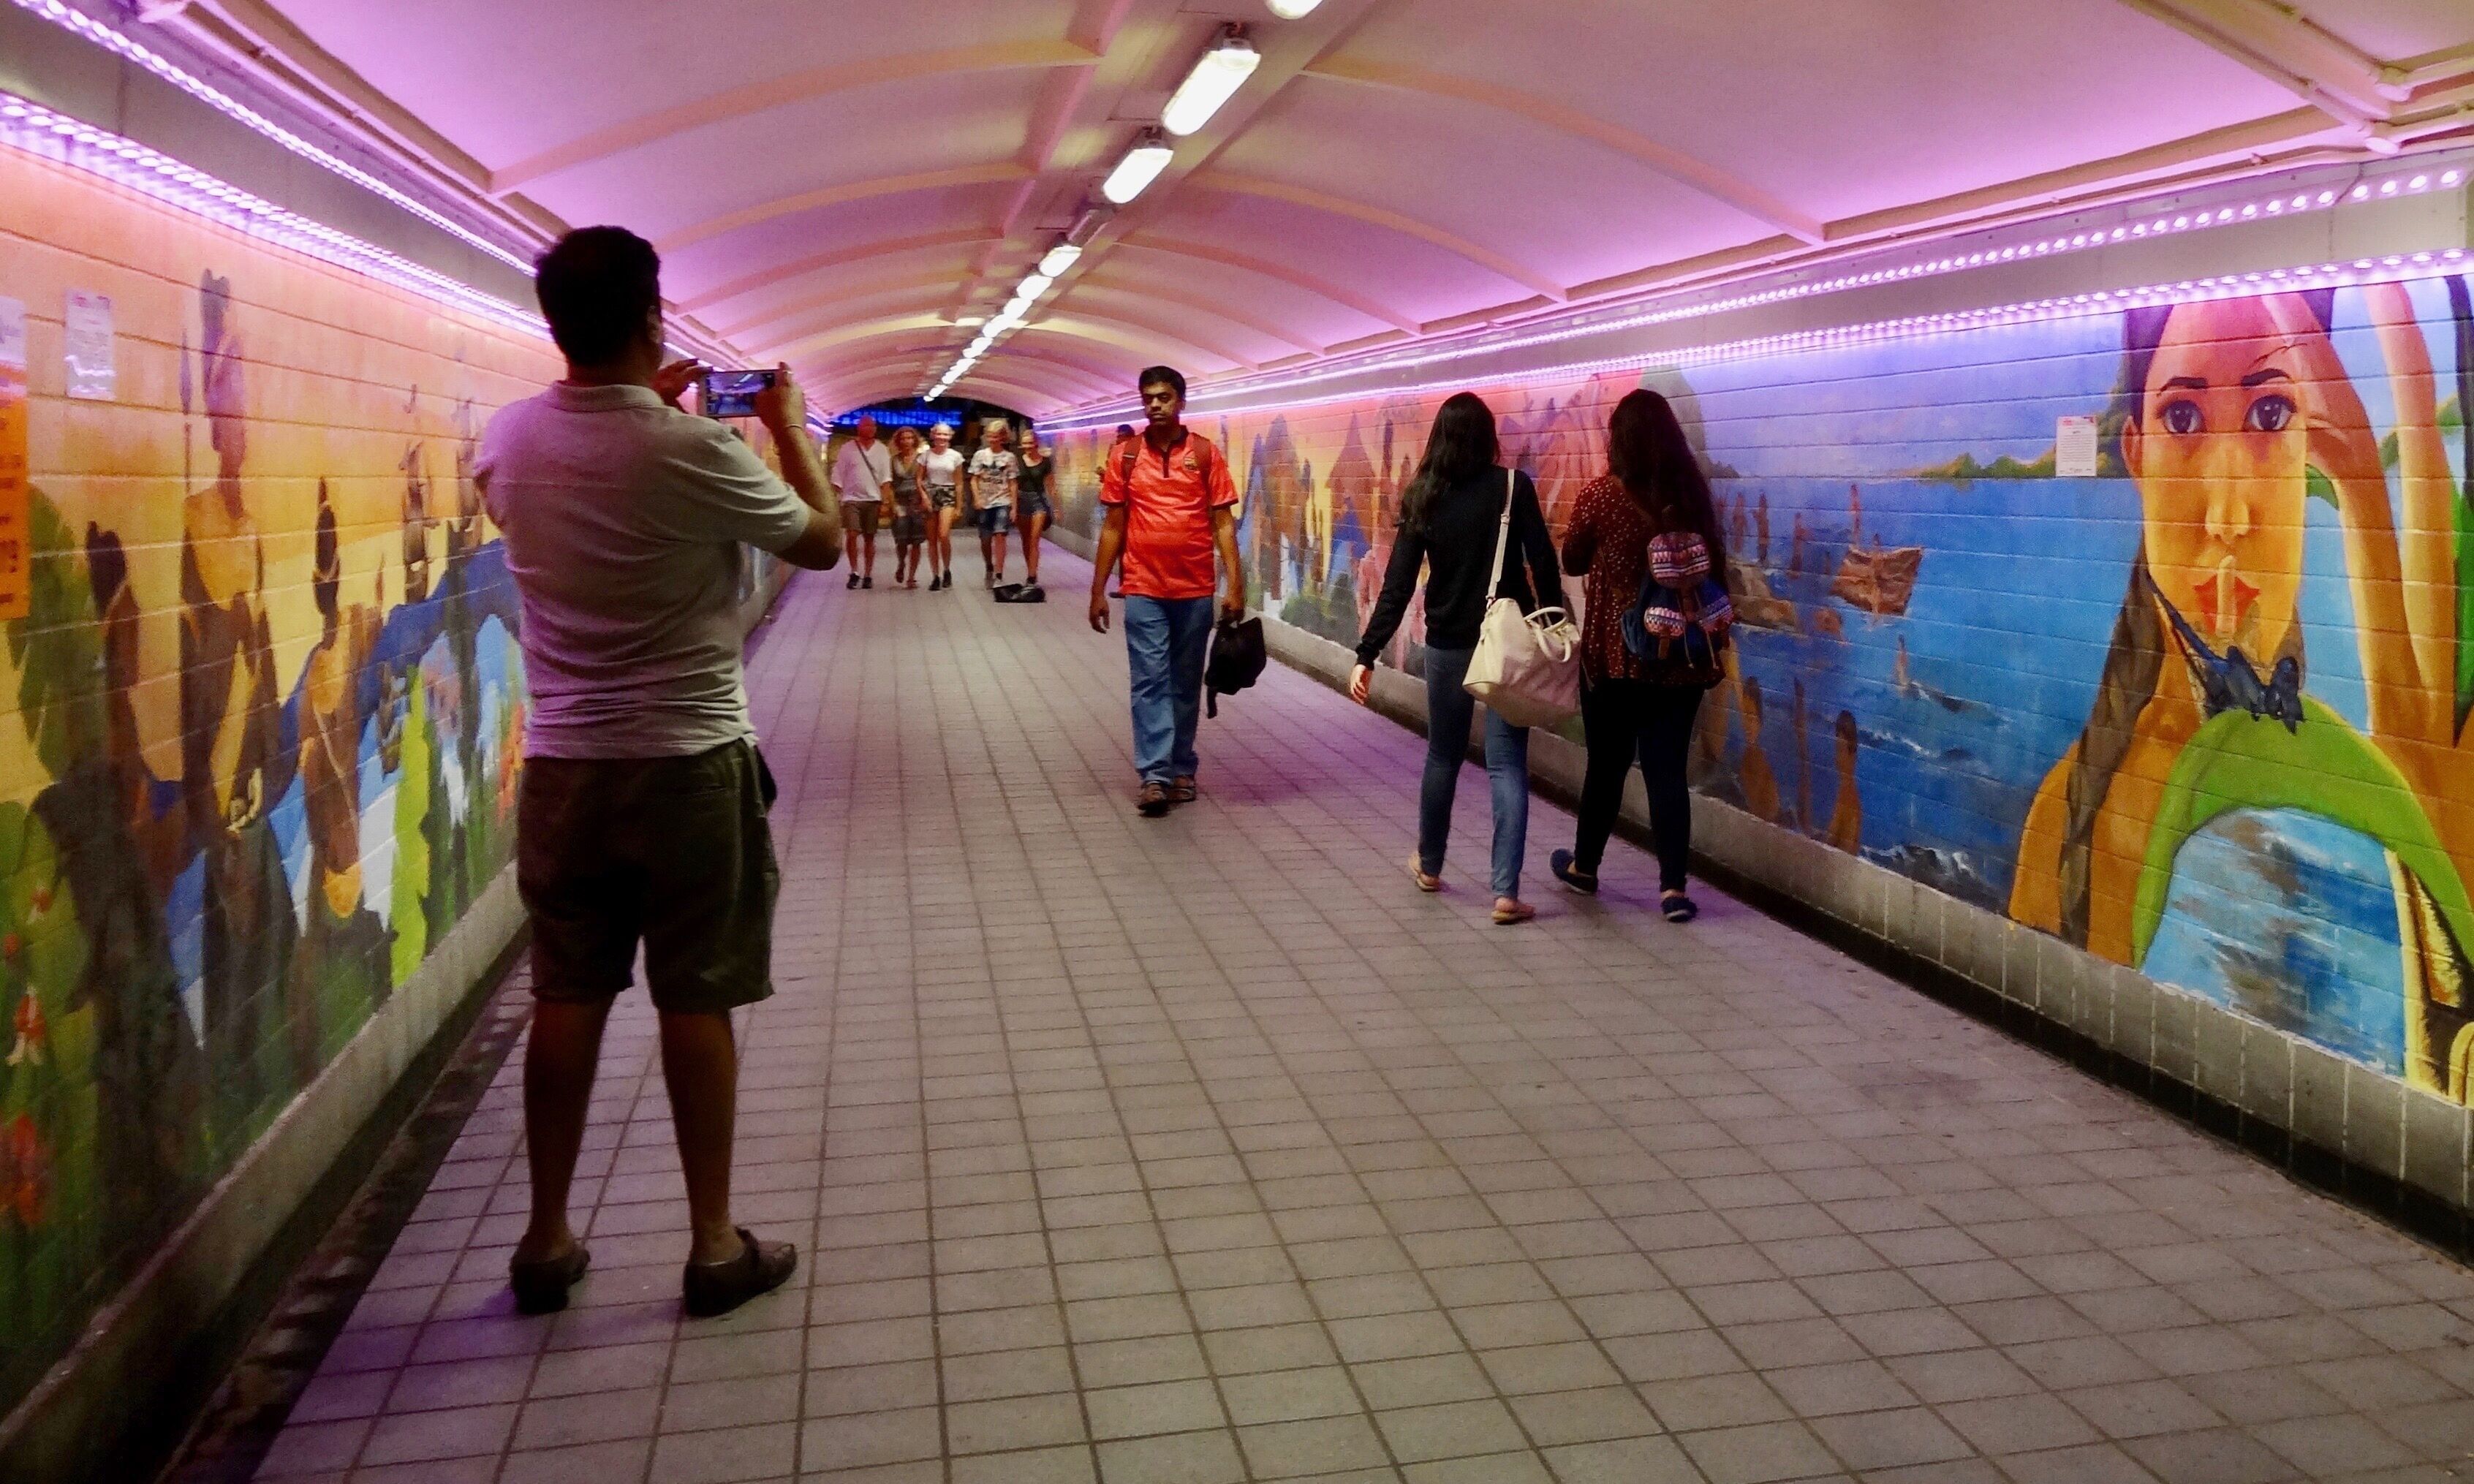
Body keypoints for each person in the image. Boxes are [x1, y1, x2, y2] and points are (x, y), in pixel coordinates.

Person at [477, 225, 843, 1319]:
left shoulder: (505, 438)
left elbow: (589, 489)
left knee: (567, 988)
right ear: (653, 319)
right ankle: (714, 1243)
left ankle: (544, 1240)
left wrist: (646, 409)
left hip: (563, 765)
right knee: (697, 994)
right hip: (689, 759)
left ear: (553, 322)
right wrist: (785, 426)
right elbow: (821, 541)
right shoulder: (697, 453)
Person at [1349, 392, 1562, 925]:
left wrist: (1366, 654)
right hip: (1508, 644)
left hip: (1448, 645)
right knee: (1507, 763)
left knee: (1443, 755)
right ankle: (1506, 893)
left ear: (1439, 438)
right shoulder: (1513, 488)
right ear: (1489, 436)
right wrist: (1556, 627)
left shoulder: (1425, 494)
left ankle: (1429, 864)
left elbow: (1396, 587)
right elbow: (1544, 565)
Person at [1551, 388, 1725, 923]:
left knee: (1605, 765)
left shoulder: (1603, 497)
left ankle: (1584, 867)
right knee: (1667, 772)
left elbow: (1573, 559)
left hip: (1617, 659)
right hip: (1683, 661)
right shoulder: (1692, 497)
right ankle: (1673, 890)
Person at [1089, 366, 1243, 816]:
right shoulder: (1126, 456)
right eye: (1148, 398)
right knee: (1149, 681)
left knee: (1184, 682)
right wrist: (1099, 589)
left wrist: (1236, 584)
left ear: (1181, 401)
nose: (1155, 405)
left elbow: (1223, 523)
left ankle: (1182, 769)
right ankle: (1154, 776)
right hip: (1142, 586)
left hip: (1196, 587)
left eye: (1164, 397)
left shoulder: (1205, 454)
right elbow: (1114, 525)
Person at [831, 413, 893, 589]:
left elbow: (886, 478)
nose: (870, 429)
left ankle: (868, 574)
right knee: (851, 534)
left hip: (873, 499)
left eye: (872, 426)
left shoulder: (881, 449)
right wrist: (838, 493)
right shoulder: (847, 448)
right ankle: (854, 571)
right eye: (866, 426)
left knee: (869, 538)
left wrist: (885, 501)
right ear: (859, 428)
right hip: (851, 499)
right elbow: (838, 473)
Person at [966, 418, 1020, 587]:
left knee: (1000, 535)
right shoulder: (980, 456)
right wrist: (977, 498)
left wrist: (1014, 507)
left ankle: (999, 571)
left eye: (996, 437)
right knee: (985, 538)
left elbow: (1013, 482)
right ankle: (989, 564)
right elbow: (973, 480)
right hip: (985, 501)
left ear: (1003, 438)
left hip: (1002, 500)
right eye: (990, 436)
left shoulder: (1009, 458)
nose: (992, 440)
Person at [920, 422, 964, 590]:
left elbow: (959, 483)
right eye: (939, 434)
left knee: (943, 534)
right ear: (933, 435)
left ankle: (946, 569)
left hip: (948, 494)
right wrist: (924, 496)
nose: (942, 438)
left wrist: (959, 506)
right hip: (931, 493)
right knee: (931, 539)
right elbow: (919, 478)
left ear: (950, 436)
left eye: (945, 435)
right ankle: (935, 575)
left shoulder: (955, 456)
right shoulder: (925, 456)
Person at [887, 424, 929, 588]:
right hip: (900, 502)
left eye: (910, 438)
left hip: (917, 502)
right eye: (903, 438)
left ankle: (912, 576)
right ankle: (901, 563)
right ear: (898, 441)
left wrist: (925, 499)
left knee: (917, 541)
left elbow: (926, 480)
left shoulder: (921, 459)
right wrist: (893, 504)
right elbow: (889, 483)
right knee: (901, 540)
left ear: (915, 440)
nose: (907, 441)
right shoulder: (893, 460)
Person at [1014, 428, 1053, 588]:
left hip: (1039, 501)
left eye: (1031, 443)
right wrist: (1013, 506)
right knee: (1026, 540)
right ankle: (1031, 571)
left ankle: (1031, 576)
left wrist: (1056, 507)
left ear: (1036, 443)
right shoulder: (1017, 461)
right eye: (1025, 443)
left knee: (1034, 539)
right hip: (1022, 499)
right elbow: (1014, 484)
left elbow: (1051, 485)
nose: (1028, 446)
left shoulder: (1045, 462)